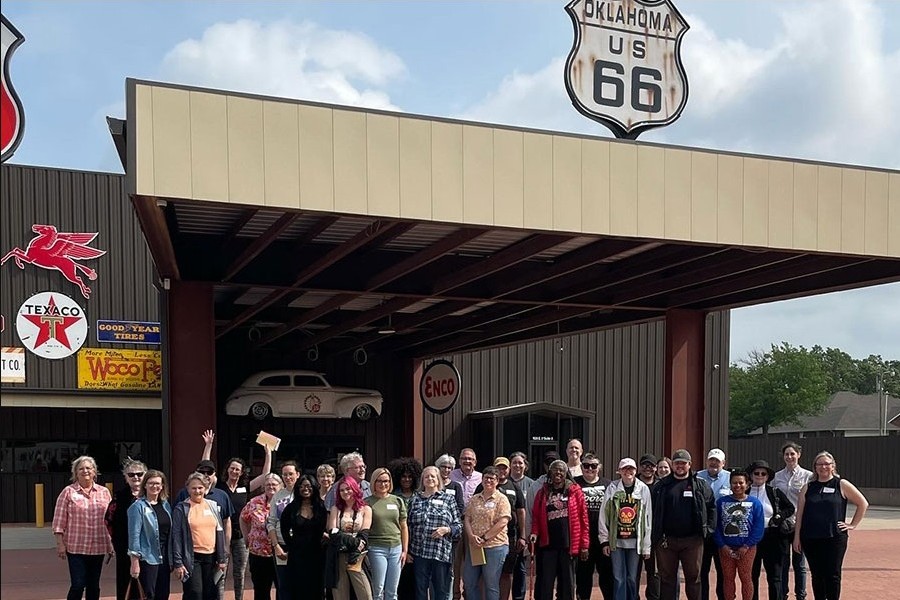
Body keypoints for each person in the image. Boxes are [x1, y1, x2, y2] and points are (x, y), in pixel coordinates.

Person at [202, 429, 273, 600]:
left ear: (242, 472)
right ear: (228, 470)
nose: (234, 472)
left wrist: (268, 453)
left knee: (240, 573)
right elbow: (205, 469)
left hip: (241, 536)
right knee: (221, 571)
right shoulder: (218, 487)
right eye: (232, 468)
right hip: (220, 536)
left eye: (238, 470)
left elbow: (265, 476)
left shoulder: (245, 488)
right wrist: (208, 445)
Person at [793, 451, 868, 600]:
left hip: (834, 537)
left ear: (833, 466)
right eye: (819, 464)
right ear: (815, 467)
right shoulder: (808, 487)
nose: (823, 467)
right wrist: (797, 538)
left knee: (833, 574)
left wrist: (852, 524)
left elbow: (863, 503)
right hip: (811, 538)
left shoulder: (841, 484)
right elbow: (800, 514)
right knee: (817, 574)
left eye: (827, 463)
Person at [650, 449, 715, 600]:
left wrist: (708, 530)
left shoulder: (700, 485)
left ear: (690, 465)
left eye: (683, 463)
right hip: (666, 541)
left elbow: (712, 507)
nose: (680, 466)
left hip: (693, 541)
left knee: (694, 579)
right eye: (677, 463)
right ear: (672, 465)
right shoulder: (661, 487)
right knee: (666, 579)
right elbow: (652, 511)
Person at [52, 455, 114, 600]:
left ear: (94, 471)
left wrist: (111, 543)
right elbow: (59, 520)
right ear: (75, 472)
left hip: (98, 546)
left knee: (94, 585)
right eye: (81, 468)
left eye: (88, 468)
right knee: (78, 584)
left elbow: (110, 520)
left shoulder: (104, 492)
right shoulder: (68, 492)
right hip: (76, 547)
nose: (85, 471)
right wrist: (60, 544)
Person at [530, 460, 589, 600]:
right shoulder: (542, 492)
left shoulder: (575, 491)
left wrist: (584, 545)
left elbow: (584, 520)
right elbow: (536, 518)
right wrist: (534, 533)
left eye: (561, 470)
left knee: (567, 584)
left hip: (568, 546)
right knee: (546, 583)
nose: (558, 473)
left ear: (566, 473)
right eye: (555, 470)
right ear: (550, 473)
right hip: (548, 546)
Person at [598, 458, 653, 600]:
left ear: (636, 471)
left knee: (632, 578)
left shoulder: (643, 489)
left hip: (635, 542)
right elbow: (604, 516)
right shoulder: (612, 488)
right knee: (618, 578)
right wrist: (604, 541)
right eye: (624, 469)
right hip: (616, 541)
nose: (628, 472)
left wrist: (646, 547)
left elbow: (648, 519)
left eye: (631, 469)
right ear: (619, 471)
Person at [473, 457, 526, 600]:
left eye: (504, 468)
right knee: (485, 574)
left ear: (508, 470)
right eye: (499, 468)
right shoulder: (482, 487)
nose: (502, 471)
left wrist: (523, 535)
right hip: (484, 539)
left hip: (509, 536)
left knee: (506, 573)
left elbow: (521, 511)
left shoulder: (514, 486)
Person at [408, 466, 462, 600]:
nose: (430, 479)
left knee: (441, 592)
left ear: (438, 479)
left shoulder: (448, 499)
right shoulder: (415, 500)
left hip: (440, 553)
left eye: (433, 476)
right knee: (420, 591)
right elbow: (407, 526)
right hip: (419, 553)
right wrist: (407, 550)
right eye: (426, 476)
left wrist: (447, 529)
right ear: (422, 480)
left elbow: (458, 526)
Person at [172, 472, 227, 600]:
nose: (197, 491)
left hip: (211, 558)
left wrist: (222, 558)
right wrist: (178, 563)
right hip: (191, 558)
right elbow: (176, 536)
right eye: (194, 488)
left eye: (200, 487)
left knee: (209, 593)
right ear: (188, 489)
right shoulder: (181, 508)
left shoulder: (212, 506)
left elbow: (219, 531)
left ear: (206, 488)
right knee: (195, 593)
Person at [746, 460, 794, 600]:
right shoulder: (745, 492)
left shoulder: (774, 492)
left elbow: (790, 508)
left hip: (772, 537)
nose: (759, 476)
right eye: (756, 473)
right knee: (751, 576)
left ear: (767, 477)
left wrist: (779, 516)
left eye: (763, 473)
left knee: (774, 576)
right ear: (751, 475)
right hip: (751, 539)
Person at [713, 470, 764, 600]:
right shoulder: (721, 502)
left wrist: (746, 546)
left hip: (747, 548)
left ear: (747, 485)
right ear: (730, 484)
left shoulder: (755, 503)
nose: (737, 485)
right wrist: (723, 545)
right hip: (726, 548)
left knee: (746, 578)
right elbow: (715, 526)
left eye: (741, 482)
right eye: (734, 483)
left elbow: (758, 528)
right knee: (728, 578)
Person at [464, 465, 512, 600]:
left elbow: (503, 522)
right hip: (475, 547)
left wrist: (485, 538)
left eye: (492, 478)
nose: (488, 481)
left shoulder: (502, 499)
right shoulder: (474, 499)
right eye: (486, 478)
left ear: (497, 481)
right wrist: (471, 537)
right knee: (469, 582)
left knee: (491, 585)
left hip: (495, 546)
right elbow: (467, 518)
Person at [773, 441, 813, 600]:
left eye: (792, 453)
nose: (789, 457)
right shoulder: (776, 477)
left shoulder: (808, 476)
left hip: (800, 524)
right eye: (786, 454)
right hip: (783, 525)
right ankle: (783, 594)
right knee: (783, 562)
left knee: (799, 564)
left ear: (799, 454)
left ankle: (801, 595)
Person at [106, 458, 148, 600]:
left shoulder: (153, 495)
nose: (136, 477)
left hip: (149, 549)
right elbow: (108, 520)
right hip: (125, 548)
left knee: (148, 586)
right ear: (125, 477)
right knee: (126, 585)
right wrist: (115, 542)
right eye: (131, 475)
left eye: (139, 474)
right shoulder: (119, 497)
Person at [281, 473, 329, 600]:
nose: (305, 489)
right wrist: (291, 545)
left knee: (317, 587)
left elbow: (326, 527)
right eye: (301, 486)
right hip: (297, 554)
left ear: (314, 487)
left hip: (318, 553)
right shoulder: (291, 508)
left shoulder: (321, 506)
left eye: (308, 486)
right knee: (298, 588)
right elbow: (284, 529)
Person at [127, 469, 172, 600]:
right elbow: (134, 536)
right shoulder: (137, 507)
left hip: (164, 558)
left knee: (163, 594)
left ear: (162, 486)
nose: (155, 486)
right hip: (147, 558)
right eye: (151, 483)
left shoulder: (165, 505)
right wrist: (134, 562)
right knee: (148, 595)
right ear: (145, 485)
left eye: (158, 483)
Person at [327, 476, 374, 600]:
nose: (345, 492)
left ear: (355, 489)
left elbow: (364, 533)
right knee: (340, 595)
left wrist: (357, 545)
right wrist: (354, 541)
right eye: (341, 490)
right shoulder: (335, 509)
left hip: (357, 556)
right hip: (339, 555)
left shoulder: (366, 509)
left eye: (348, 489)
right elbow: (333, 532)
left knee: (366, 595)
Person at [574, 452, 613, 600]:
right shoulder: (574, 483)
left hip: (603, 538)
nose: (590, 469)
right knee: (583, 575)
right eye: (586, 466)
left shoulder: (608, 485)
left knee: (607, 575)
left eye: (593, 466)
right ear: (581, 467)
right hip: (583, 539)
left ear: (599, 467)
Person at [367, 467, 409, 600]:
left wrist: (405, 550)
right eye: (379, 481)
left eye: (386, 481)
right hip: (376, 548)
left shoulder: (397, 500)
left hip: (396, 548)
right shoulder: (367, 502)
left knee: (392, 590)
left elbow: (403, 526)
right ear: (373, 482)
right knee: (378, 589)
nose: (383, 484)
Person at [240, 473, 283, 600]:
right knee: (261, 590)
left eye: (274, 484)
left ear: (281, 486)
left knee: (282, 588)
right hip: (258, 553)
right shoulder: (254, 502)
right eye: (267, 484)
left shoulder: (286, 501)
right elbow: (243, 518)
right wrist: (246, 537)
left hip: (280, 552)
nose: (271, 487)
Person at [388, 458, 423, 600]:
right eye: (403, 476)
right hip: (398, 544)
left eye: (410, 476)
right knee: (398, 582)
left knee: (417, 584)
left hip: (418, 544)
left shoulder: (420, 496)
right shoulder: (393, 496)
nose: (407, 479)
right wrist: (404, 549)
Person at [698, 449, 730, 600]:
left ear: (723, 463)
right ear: (706, 461)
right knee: (701, 570)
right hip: (702, 532)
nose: (714, 463)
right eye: (711, 460)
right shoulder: (697, 477)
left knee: (723, 571)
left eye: (717, 461)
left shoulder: (731, 478)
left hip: (723, 532)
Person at [451, 448, 482, 600]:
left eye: (470, 459)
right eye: (464, 458)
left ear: (475, 462)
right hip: (456, 523)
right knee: (456, 561)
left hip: (474, 525)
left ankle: (469, 594)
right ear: (459, 461)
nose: (467, 461)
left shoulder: (482, 478)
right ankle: (455, 593)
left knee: (473, 561)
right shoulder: (452, 476)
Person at [268, 460, 300, 597]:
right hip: (281, 546)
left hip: (301, 547)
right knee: (284, 586)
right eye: (285, 475)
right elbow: (271, 522)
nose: (288, 477)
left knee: (301, 584)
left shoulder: (305, 494)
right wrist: (276, 546)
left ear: (298, 474)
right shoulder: (278, 496)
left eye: (291, 474)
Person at [436, 454, 466, 600]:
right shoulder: (432, 485)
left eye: (449, 468)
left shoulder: (456, 486)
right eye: (444, 467)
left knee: (451, 570)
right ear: (438, 467)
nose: (447, 470)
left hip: (451, 535)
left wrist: (448, 524)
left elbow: (460, 507)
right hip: (433, 535)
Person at [507, 452, 534, 600]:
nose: (517, 465)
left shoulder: (531, 484)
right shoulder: (504, 482)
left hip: (524, 532)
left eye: (520, 463)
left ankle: (519, 597)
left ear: (525, 466)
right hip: (506, 533)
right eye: (514, 463)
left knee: (520, 568)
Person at [635, 454, 660, 600]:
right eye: (644, 465)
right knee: (634, 571)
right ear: (640, 467)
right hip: (635, 534)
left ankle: (653, 597)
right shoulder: (632, 483)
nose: (647, 468)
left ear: (655, 468)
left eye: (651, 465)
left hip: (654, 535)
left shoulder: (661, 486)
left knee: (654, 571)